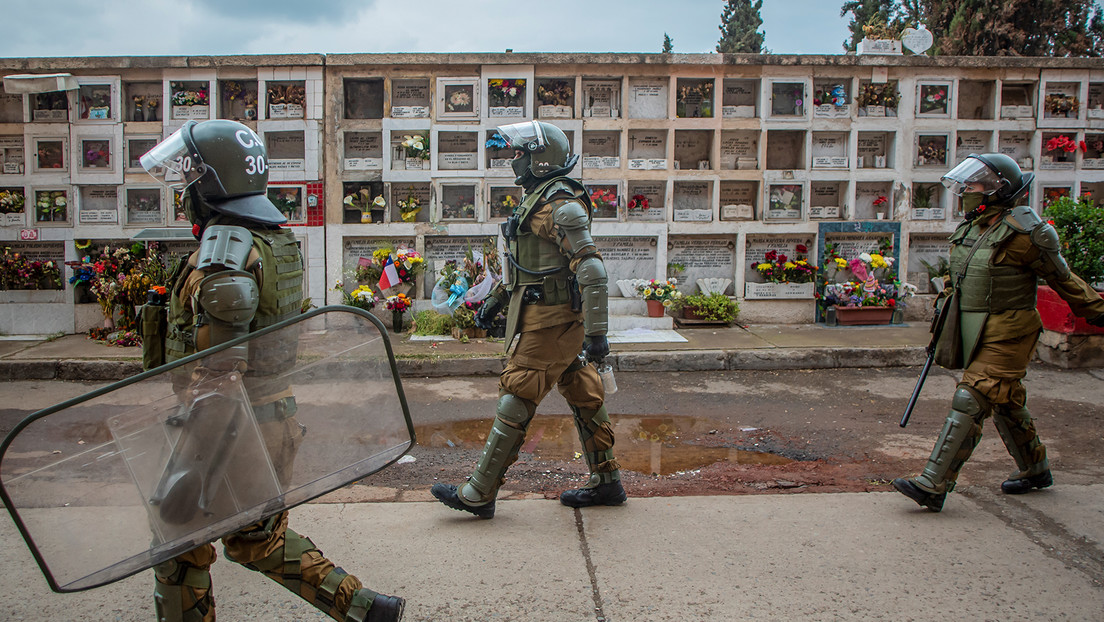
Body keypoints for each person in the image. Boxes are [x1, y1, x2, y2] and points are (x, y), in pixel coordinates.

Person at [139, 119, 404, 621]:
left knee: (176, 550)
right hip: (270, 417)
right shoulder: (271, 243)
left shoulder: (225, 258)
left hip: (224, 429)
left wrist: (186, 473)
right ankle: (367, 610)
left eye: (190, 176)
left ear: (213, 183)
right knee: (255, 538)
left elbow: (219, 379)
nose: (184, 188)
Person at [430, 120, 625, 518]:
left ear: (540, 159)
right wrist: (496, 301)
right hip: (552, 318)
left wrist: (599, 334)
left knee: (517, 394)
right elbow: (529, 267)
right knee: (585, 394)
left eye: (519, 153)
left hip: (550, 323)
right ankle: (607, 482)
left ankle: (479, 492)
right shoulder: (538, 198)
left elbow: (591, 269)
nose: (512, 161)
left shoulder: (559, 205)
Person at [893, 153, 1104, 512]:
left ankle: (933, 483)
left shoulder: (1028, 233)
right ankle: (1035, 468)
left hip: (1010, 329)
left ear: (997, 189)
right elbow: (958, 282)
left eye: (972, 185)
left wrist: (1098, 312)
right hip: (975, 327)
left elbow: (1063, 280)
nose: (964, 191)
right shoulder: (971, 227)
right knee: (1005, 399)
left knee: (973, 395)